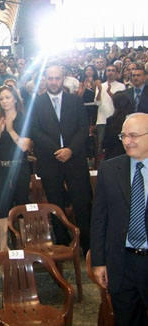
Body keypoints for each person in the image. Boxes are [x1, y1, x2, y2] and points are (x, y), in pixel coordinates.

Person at [91, 113, 148, 326]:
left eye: (134, 135)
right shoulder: (109, 169)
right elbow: (99, 219)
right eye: (123, 136)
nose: (127, 141)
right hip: (122, 263)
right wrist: (99, 262)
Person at [31, 65, 92, 254]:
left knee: (82, 201)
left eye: (57, 78)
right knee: (55, 203)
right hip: (50, 160)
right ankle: (63, 242)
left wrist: (70, 150)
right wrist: (58, 150)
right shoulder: (37, 103)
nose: (54, 82)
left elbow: (84, 128)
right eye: (50, 78)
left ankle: (87, 243)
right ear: (45, 80)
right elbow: (35, 131)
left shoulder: (75, 100)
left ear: (63, 79)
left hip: (75, 159)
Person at [0, 86, 31, 251]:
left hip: (20, 167)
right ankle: (3, 246)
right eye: (2, 99)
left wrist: (11, 129)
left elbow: (24, 147)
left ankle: (22, 244)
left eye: (7, 97)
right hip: (1, 169)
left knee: (21, 204)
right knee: (2, 207)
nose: (4, 101)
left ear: (15, 99)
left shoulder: (24, 119)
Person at [103, 91, 133, 160]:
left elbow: (105, 142)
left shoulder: (111, 120)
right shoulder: (133, 119)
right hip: (131, 155)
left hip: (113, 157)